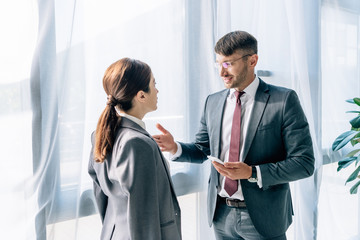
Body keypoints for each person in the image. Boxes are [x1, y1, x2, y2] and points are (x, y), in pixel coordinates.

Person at [153, 31, 315, 240]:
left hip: (264, 217)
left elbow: (304, 163)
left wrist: (252, 172)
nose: (222, 72)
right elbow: (203, 149)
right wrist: (175, 148)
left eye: (228, 63)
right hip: (221, 215)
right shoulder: (213, 102)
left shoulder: (283, 100)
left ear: (252, 61)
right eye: (218, 63)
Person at [88, 58, 182, 240]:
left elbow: (101, 195)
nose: (157, 90)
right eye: (154, 84)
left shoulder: (101, 134)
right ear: (141, 96)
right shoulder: (138, 143)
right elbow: (144, 215)